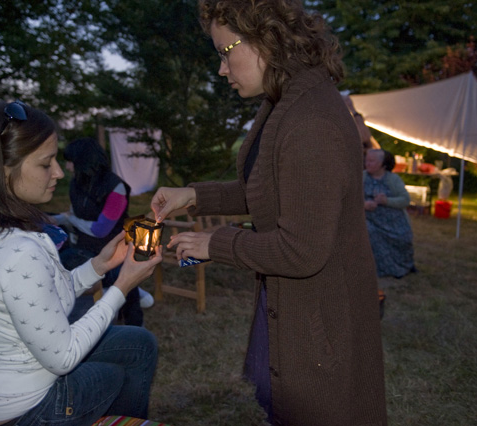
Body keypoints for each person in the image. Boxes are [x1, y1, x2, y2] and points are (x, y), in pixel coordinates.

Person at [151, 1, 387, 424]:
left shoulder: (310, 121)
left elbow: (301, 251)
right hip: (297, 303)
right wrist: (191, 196)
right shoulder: (285, 101)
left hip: (321, 314)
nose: (222, 69)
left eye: (226, 52)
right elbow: (263, 191)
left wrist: (214, 243)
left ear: (267, 38)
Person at [0, 100, 162, 426]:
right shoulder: (17, 248)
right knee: (115, 374)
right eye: (46, 164)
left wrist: (98, 266)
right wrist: (123, 285)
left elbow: (41, 294)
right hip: (20, 413)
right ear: (2, 169)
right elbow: (64, 357)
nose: (58, 172)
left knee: (140, 343)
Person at [53, 137, 147, 326]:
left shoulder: (116, 187)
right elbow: (73, 215)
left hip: (112, 248)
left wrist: (68, 218)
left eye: (70, 162)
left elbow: (100, 230)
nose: (67, 168)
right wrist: (52, 220)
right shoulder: (76, 184)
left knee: (122, 279)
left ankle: (133, 322)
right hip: (82, 246)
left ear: (83, 160)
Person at [364, 149, 416, 278]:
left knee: (403, 237)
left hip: (393, 221)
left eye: (372, 161)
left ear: (383, 164)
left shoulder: (393, 179)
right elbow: (351, 198)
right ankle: (378, 270)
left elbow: (405, 200)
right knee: (370, 233)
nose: (367, 164)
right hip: (370, 220)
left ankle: (403, 266)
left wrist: (386, 201)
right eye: (366, 160)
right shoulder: (362, 177)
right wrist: (364, 204)